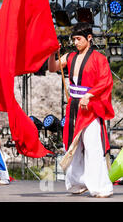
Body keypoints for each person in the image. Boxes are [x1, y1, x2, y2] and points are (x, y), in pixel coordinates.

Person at [48, 22, 115, 198]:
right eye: (74, 39)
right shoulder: (70, 56)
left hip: (90, 106)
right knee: (72, 146)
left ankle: (101, 187)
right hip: (74, 106)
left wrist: (90, 95)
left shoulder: (99, 59)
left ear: (89, 38)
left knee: (93, 146)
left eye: (79, 39)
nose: (76, 42)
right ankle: (77, 183)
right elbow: (53, 68)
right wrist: (52, 53)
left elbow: (106, 81)